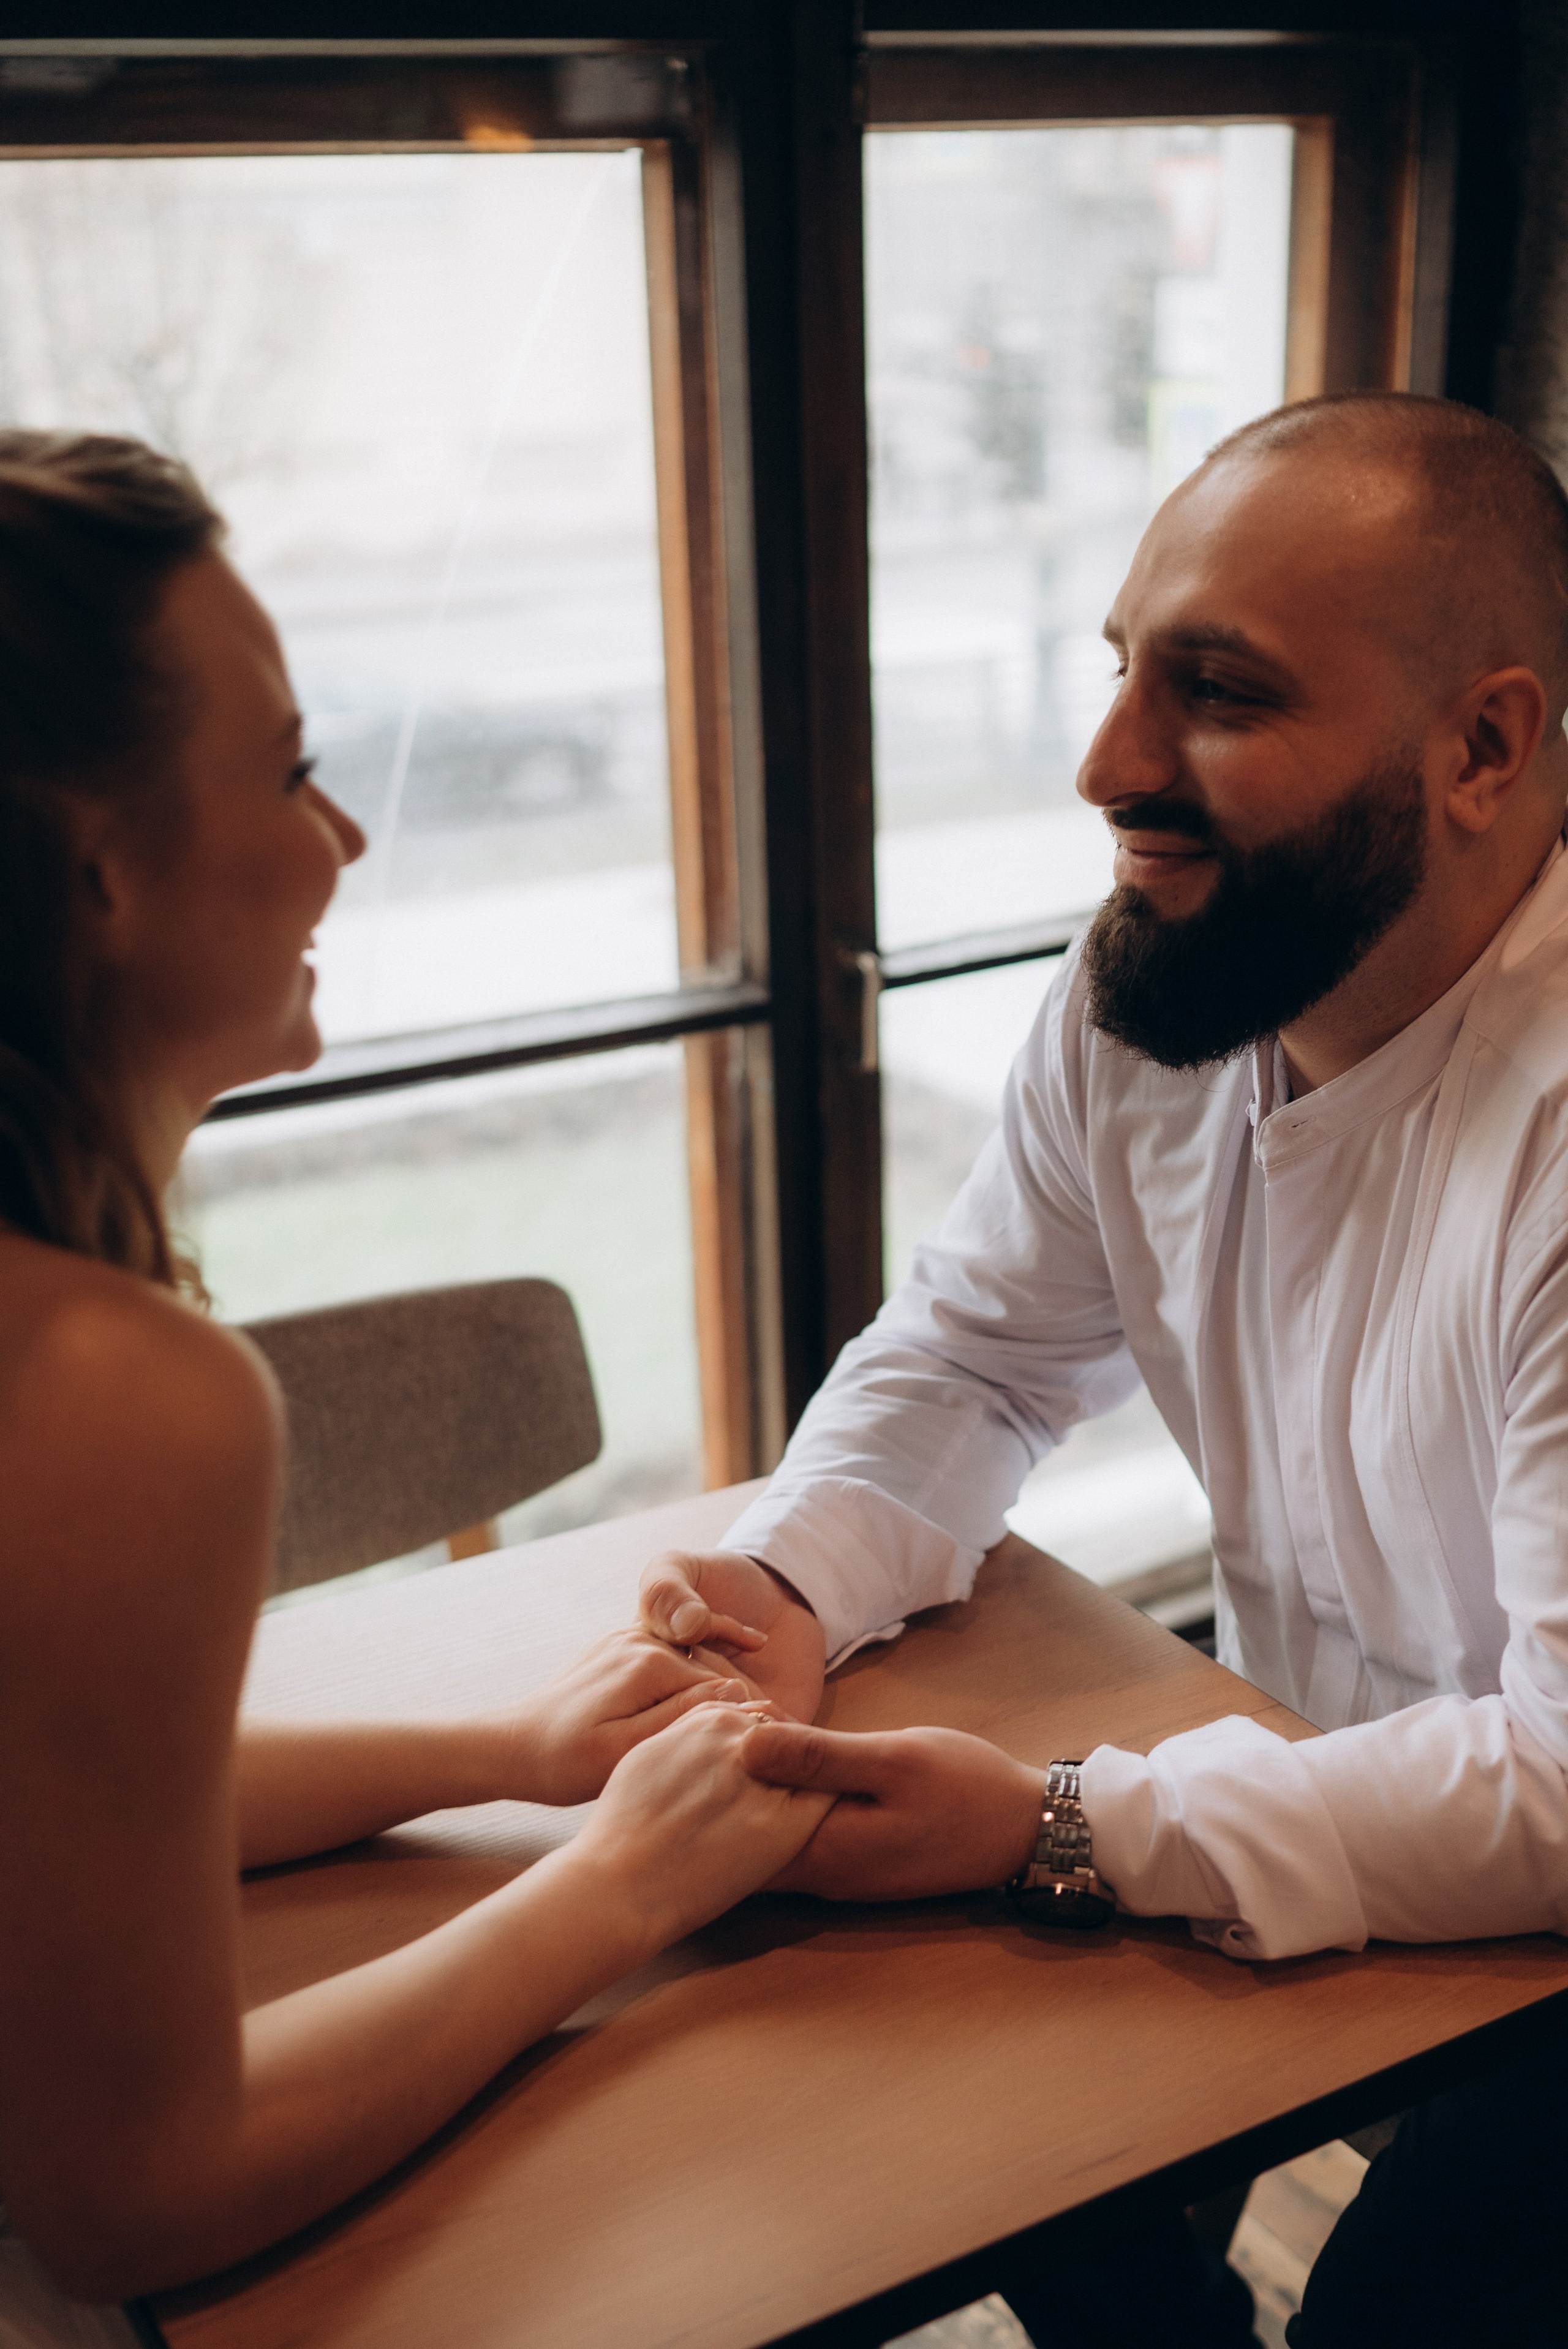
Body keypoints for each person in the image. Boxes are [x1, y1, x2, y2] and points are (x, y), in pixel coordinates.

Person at [635, 392, 1568, 2343]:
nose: (1106, 766)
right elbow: (976, 1350)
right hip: (1305, 1775)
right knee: (978, 2130)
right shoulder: (1160, 979)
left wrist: (1074, 1820)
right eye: (1122, 669)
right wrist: (794, 1586)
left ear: (1483, 744)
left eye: (1216, 693)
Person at [0, 430, 834, 2346]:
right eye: (292, 768)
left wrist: (510, 1752)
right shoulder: (112, 1388)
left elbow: (65, 1803)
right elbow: (134, 2191)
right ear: (98, 868)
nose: (345, 840)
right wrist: (608, 1891)